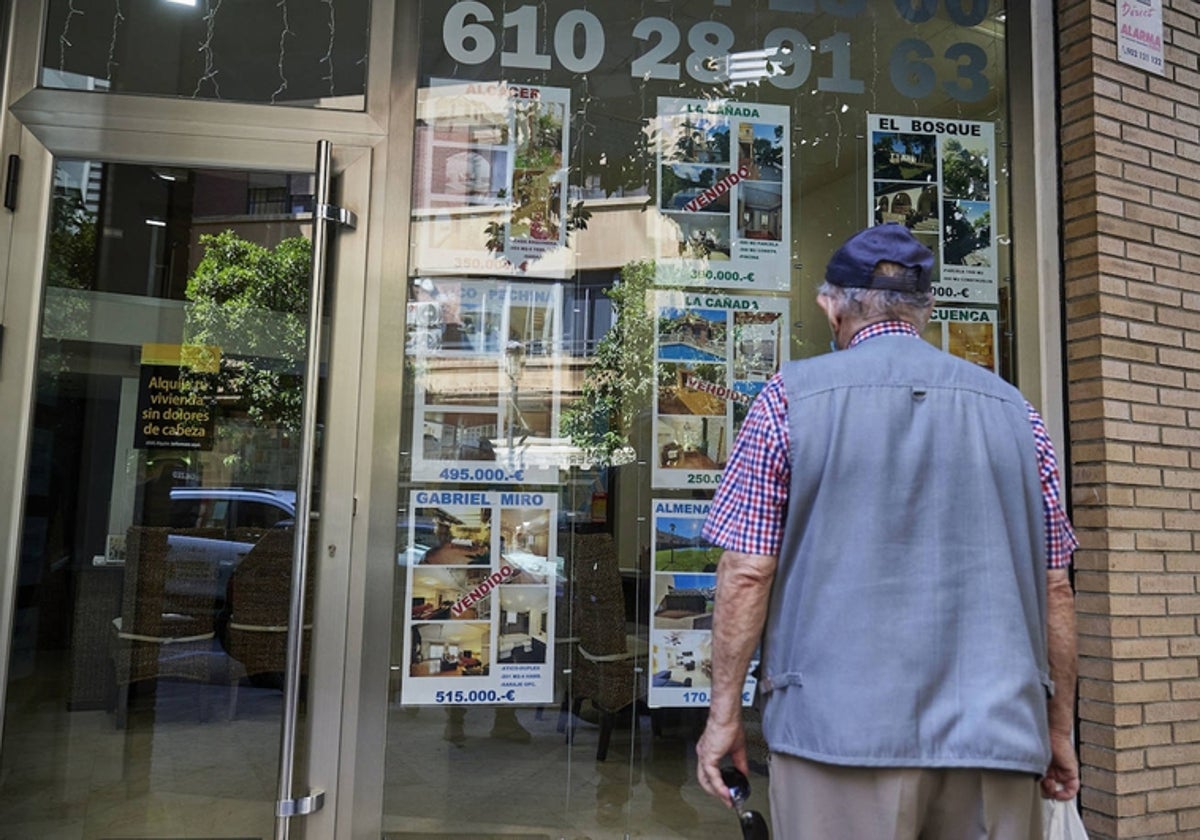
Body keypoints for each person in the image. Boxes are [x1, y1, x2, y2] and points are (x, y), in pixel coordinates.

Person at [694, 223, 1079, 839]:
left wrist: (723, 717)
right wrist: (1058, 729)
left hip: (837, 737)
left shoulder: (785, 401)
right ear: (927, 309)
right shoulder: (1018, 414)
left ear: (830, 304)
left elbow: (746, 572)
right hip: (998, 738)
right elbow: (1055, 588)